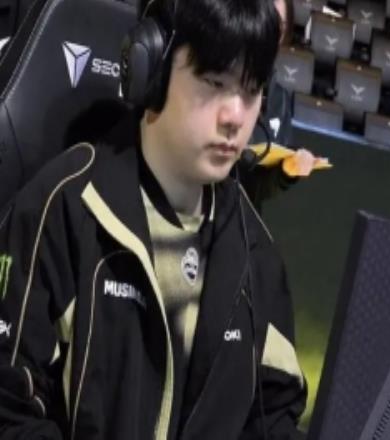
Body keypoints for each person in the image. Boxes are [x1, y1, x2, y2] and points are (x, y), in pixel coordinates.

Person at [0, 0, 307, 438]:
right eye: (214, 82)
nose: (235, 117)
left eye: (252, 89)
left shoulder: (256, 254)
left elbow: (274, 415)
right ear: (153, 70)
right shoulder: (63, 210)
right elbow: (9, 406)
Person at [243, 0, 320, 211]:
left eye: (279, 26)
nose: (270, 32)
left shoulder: (280, 99)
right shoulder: (220, 77)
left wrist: (287, 172)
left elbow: (260, 188)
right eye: (266, 19)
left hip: (241, 217)